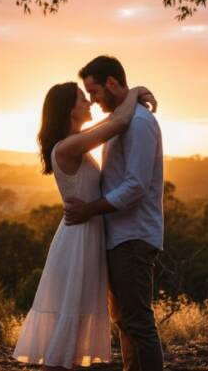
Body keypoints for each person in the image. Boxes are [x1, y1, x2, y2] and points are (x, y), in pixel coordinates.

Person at [12, 74, 157, 370]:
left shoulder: (75, 142)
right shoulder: (67, 147)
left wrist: (129, 97)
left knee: (77, 318)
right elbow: (117, 124)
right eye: (82, 98)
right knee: (70, 316)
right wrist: (137, 91)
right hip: (78, 239)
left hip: (88, 234)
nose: (89, 101)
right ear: (69, 109)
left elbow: (109, 124)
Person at [64, 55, 165, 371]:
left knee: (137, 321)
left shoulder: (139, 123)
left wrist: (90, 210)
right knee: (125, 321)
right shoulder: (122, 120)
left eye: (93, 92)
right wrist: (135, 91)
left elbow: (135, 186)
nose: (93, 100)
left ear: (110, 83)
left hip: (133, 236)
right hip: (119, 237)